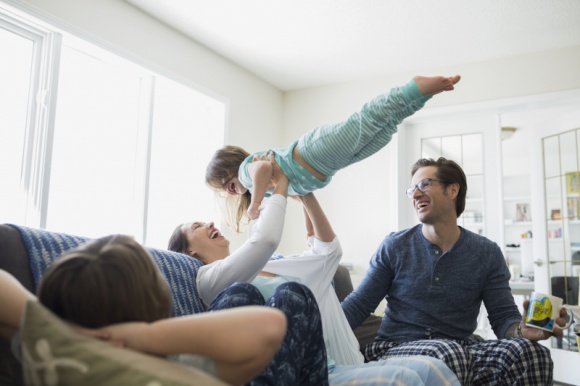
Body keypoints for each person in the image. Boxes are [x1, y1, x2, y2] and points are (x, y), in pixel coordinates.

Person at [170, 153, 461, 386]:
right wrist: (280, 184)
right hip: (301, 370)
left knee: (433, 367)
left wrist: (303, 192)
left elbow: (327, 252)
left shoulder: (274, 265)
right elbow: (265, 239)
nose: (209, 223)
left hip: (334, 362)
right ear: (188, 251)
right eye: (196, 226)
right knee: (405, 379)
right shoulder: (208, 279)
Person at [341, 157, 565, 385]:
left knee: (532, 354)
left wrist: (521, 331)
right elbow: (358, 305)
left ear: (453, 190)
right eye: (412, 190)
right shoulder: (395, 246)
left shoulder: (486, 252)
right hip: (396, 347)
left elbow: (502, 318)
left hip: (461, 347)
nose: (416, 195)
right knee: (449, 353)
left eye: (424, 185)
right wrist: (311, 328)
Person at [0, 235, 292, 386]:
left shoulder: (50, 347)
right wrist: (141, 335)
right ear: (158, 298)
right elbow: (268, 325)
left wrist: (58, 330)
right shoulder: (180, 363)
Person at [205, 75, 460, 232]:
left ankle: (412, 89)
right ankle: (419, 99)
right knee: (382, 133)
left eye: (226, 187)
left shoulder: (248, 173)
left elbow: (261, 170)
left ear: (229, 174)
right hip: (328, 164)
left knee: (365, 122)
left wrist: (256, 204)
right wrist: (309, 229)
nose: (231, 193)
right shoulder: (268, 185)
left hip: (313, 152)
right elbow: (302, 197)